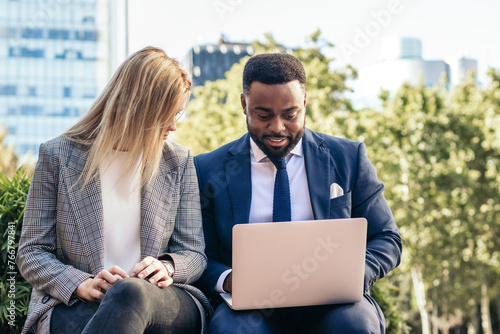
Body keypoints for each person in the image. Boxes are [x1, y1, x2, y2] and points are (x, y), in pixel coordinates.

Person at [194, 53, 402, 334]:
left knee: (354, 325)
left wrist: (353, 274)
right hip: (250, 309)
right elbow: (198, 253)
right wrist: (228, 279)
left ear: (305, 102)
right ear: (244, 105)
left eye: (290, 115)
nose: (277, 127)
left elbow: (387, 238)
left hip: (333, 304)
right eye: (263, 115)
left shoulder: (348, 157)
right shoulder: (208, 169)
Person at [16, 46, 212, 334]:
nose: (172, 126)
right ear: (137, 108)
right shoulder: (57, 156)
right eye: (165, 115)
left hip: (163, 301)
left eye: (178, 113)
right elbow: (32, 252)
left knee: (130, 292)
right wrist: (81, 284)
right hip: (76, 301)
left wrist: (168, 267)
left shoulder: (178, 161)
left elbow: (194, 252)